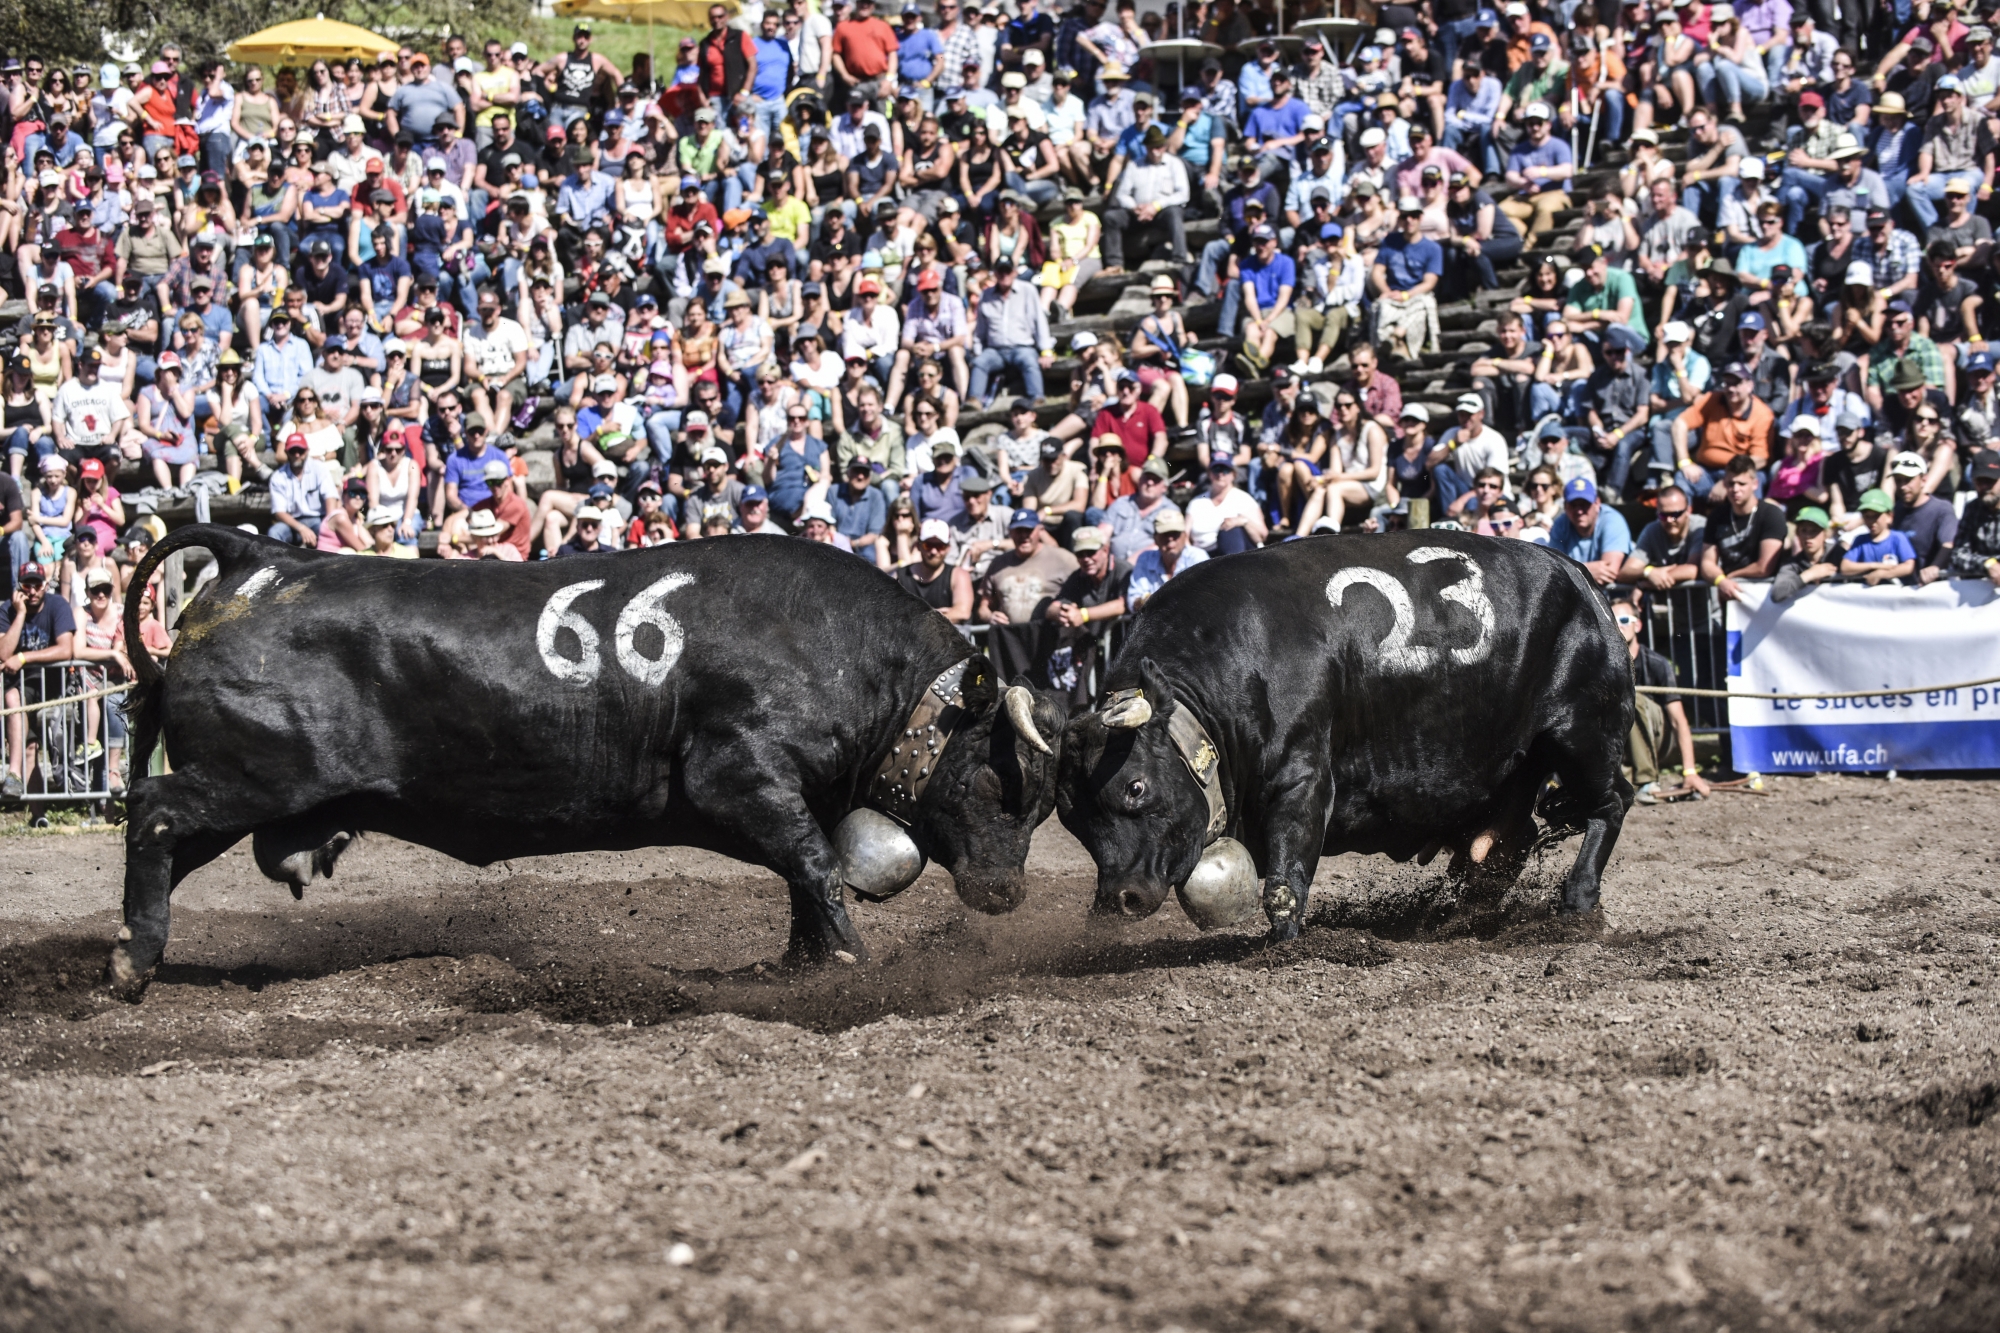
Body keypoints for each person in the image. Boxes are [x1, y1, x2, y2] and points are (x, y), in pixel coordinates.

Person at [1612, 594, 1709, 803]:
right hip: (1621, 743)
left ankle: (1648, 780)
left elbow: (1678, 719)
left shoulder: (1657, 664)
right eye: (1612, 621)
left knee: (1632, 698)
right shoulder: (1601, 667)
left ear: (1637, 625)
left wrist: (1690, 771)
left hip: (1658, 740)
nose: (1618, 626)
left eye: (1624, 620)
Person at [0, 561, 76, 799]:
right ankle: (37, 815)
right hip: (18, 687)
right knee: (30, 747)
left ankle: (13, 773)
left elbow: (66, 650)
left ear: (45, 585)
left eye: (37, 585)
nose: (32, 591)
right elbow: (3, 653)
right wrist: (20, 614)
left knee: (13, 697)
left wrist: (23, 657)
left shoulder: (57, 605)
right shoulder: (8, 609)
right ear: (19, 587)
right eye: (26, 585)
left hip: (51, 685)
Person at [1699, 455, 1788, 600]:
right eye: (1730, 483)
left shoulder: (1771, 514)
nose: (1735, 489)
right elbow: (1707, 562)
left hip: (1766, 597)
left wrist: (1731, 577)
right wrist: (1720, 581)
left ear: (1755, 484)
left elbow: (1764, 567)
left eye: (1742, 484)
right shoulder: (1717, 516)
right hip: (1731, 598)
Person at [1546, 477, 1630, 588]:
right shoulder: (1560, 524)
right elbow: (1552, 570)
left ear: (1597, 503)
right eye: (1573, 505)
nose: (1579, 511)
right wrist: (1585, 570)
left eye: (1584, 504)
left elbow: (1609, 572)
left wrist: (1570, 571)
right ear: (1565, 506)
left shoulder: (1612, 520)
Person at [1619, 484, 1705, 592]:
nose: (1669, 520)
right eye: (1663, 515)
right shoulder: (1652, 530)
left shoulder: (1700, 527)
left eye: (1675, 514)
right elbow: (1625, 572)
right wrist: (1648, 572)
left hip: (1706, 605)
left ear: (1689, 510)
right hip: (1674, 606)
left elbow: (1693, 569)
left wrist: (1646, 583)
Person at [1125, 505, 1205, 608]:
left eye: (1175, 533)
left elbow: (1204, 597)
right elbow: (1133, 600)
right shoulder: (1145, 559)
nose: (1170, 539)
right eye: (1165, 534)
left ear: (1184, 535)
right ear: (1155, 538)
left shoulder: (1197, 558)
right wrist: (1144, 601)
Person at [896, 517, 974, 618]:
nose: (933, 551)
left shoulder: (958, 575)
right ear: (918, 546)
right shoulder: (901, 575)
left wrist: (913, 617)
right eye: (928, 545)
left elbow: (962, 613)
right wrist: (937, 616)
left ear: (948, 548)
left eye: (940, 546)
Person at [1841, 488, 1918, 584]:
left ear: (1889, 517)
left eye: (1876, 516)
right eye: (1867, 516)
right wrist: (1875, 566)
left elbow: (1908, 566)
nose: (1872, 521)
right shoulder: (1860, 540)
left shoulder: (1898, 538)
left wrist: (1882, 574)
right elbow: (1845, 568)